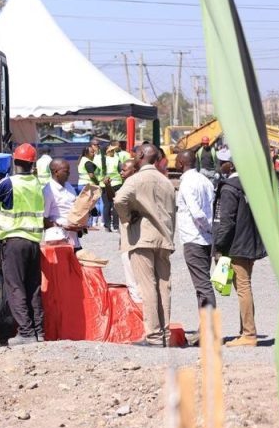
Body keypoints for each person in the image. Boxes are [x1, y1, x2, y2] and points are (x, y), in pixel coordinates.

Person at [114, 144, 177, 347]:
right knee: (163, 286)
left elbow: (119, 200)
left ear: (141, 155)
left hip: (142, 238)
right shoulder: (166, 182)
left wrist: (128, 217)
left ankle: (154, 336)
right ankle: (165, 334)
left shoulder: (135, 179)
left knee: (147, 287)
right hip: (164, 239)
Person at [0, 143, 44, 345]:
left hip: (15, 242)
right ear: (32, 164)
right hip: (33, 243)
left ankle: (26, 334)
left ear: (15, 161)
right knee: (33, 287)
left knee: (15, 287)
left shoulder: (9, 182)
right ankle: (39, 331)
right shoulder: (36, 183)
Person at [213, 158, 266, 347]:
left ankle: (249, 334)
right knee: (245, 287)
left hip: (235, 245)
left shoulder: (228, 188)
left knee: (243, 288)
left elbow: (226, 221)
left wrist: (218, 246)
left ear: (232, 166)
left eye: (224, 161)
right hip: (249, 242)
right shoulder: (250, 185)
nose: (221, 164)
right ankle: (245, 330)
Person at [175, 150, 217, 313]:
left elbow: (197, 213)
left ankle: (210, 332)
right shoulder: (205, 180)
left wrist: (207, 228)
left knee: (203, 286)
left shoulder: (187, 183)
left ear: (181, 163)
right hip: (206, 240)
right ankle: (204, 331)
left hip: (194, 239)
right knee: (202, 285)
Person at [42, 158, 83, 249]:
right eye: (66, 171)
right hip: (58, 240)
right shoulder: (48, 191)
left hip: (74, 240)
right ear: (56, 172)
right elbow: (43, 219)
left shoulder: (69, 186)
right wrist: (62, 226)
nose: (69, 174)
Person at [118, 159, 142, 303]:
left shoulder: (132, 186)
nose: (121, 172)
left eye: (124, 170)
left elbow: (118, 202)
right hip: (129, 236)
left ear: (134, 171)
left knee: (133, 278)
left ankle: (140, 311)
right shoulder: (131, 185)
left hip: (133, 238)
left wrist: (127, 216)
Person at [97, 141, 126, 232]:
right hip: (116, 185)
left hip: (104, 185)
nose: (113, 152)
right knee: (115, 205)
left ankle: (107, 226)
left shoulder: (99, 159)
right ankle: (116, 226)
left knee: (106, 205)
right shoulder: (116, 159)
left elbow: (96, 173)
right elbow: (121, 170)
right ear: (107, 151)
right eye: (112, 150)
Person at [76, 143, 101, 228]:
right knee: (88, 206)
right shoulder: (87, 162)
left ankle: (84, 224)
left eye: (93, 152)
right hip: (87, 185)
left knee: (84, 205)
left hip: (81, 184)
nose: (93, 153)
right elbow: (91, 175)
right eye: (91, 152)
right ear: (86, 153)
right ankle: (88, 225)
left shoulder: (81, 160)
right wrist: (97, 182)